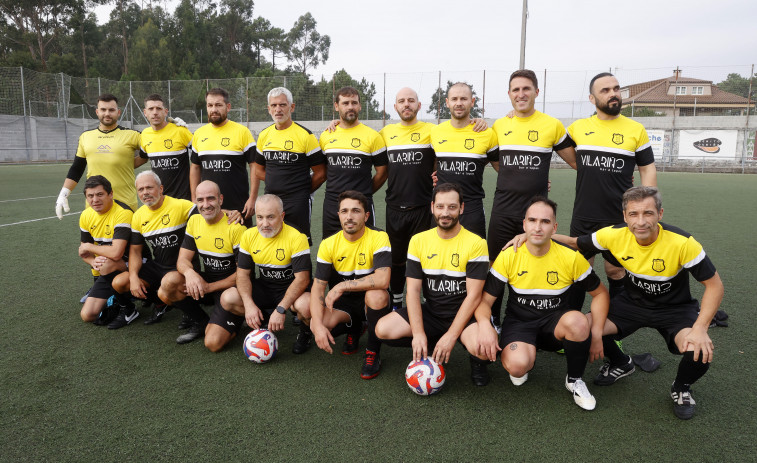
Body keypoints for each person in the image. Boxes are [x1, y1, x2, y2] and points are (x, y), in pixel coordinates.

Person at [510, 186, 724, 419]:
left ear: (660, 214)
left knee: (698, 351)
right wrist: (533, 235)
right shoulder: (613, 234)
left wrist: (701, 328)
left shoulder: (682, 242)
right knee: (587, 325)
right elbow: (574, 242)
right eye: (633, 214)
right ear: (624, 216)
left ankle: (681, 388)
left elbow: (715, 286)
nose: (640, 222)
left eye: (648, 213)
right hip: (631, 304)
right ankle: (622, 362)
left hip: (674, 309)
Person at [471, 197, 609, 410]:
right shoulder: (509, 256)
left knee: (578, 321)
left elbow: (600, 294)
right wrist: (485, 325)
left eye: (544, 222)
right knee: (517, 367)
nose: (537, 227)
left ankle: (574, 380)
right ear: (524, 224)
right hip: (520, 323)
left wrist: (597, 333)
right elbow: (484, 302)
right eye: (532, 220)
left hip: (555, 325)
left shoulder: (570, 257)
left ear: (554, 227)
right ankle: (526, 358)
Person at [374, 183, 489, 383]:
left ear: (461, 209)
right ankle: (432, 339)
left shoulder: (476, 243)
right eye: (441, 207)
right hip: (432, 313)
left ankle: (476, 362)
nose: (446, 213)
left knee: (483, 350)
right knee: (382, 329)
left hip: (464, 315)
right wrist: (418, 334)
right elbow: (412, 291)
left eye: (452, 207)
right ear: (432, 207)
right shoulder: (419, 241)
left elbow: (474, 297)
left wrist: (452, 336)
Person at [568, 73, 657, 304]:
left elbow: (647, 169)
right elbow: (561, 150)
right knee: (579, 270)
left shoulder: (636, 129)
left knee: (616, 271)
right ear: (592, 98)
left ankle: (615, 327)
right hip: (584, 214)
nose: (613, 94)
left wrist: (648, 205)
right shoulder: (578, 128)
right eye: (605, 91)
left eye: (616, 89)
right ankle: (572, 322)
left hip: (618, 217)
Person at [109, 171, 211, 343]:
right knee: (120, 282)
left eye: (149, 187)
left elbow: (208, 212)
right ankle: (164, 302)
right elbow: (135, 251)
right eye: (141, 189)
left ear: (161, 188)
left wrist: (229, 212)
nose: (145, 192)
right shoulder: (139, 216)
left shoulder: (180, 206)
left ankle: (200, 320)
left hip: (182, 267)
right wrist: (133, 277)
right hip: (159, 266)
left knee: (168, 285)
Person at [215, 195, 313, 353]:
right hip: (266, 287)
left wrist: (281, 309)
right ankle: (264, 321)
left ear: (282, 216)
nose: (264, 223)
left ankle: (305, 333)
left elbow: (302, 279)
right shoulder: (249, 235)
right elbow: (242, 275)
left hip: (292, 288)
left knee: (306, 306)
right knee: (228, 298)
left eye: (271, 217)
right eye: (260, 217)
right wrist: (248, 305)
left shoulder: (297, 237)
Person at [310, 190, 391, 379]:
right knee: (315, 321)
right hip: (343, 305)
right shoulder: (329, 243)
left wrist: (341, 286)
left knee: (377, 295)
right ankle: (354, 328)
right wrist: (319, 327)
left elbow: (382, 279)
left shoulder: (379, 237)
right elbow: (317, 288)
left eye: (356, 211)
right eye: (344, 211)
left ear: (366, 215)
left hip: (368, 302)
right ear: (338, 215)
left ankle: (373, 351)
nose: (349, 216)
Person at [157, 181, 246, 351]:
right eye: (201, 200)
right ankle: (201, 322)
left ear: (220, 199)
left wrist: (209, 287)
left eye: (210, 199)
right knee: (167, 285)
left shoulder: (235, 228)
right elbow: (182, 260)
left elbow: (243, 274)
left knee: (212, 344)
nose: (206, 205)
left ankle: (248, 319)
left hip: (231, 289)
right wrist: (190, 273)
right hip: (207, 282)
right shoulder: (195, 221)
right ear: (196, 201)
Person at [253, 87, 326, 243]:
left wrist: (302, 190)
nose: (278, 109)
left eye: (282, 105)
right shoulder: (264, 135)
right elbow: (258, 170)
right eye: (273, 105)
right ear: (268, 109)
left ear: (291, 107)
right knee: (272, 242)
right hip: (271, 199)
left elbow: (321, 173)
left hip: (297, 202)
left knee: (298, 243)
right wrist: (276, 181)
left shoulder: (306, 136)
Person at [430, 83, 499, 239]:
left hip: (472, 208)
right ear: (447, 103)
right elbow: (433, 164)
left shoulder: (487, 133)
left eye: (463, 98)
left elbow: (503, 169)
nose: (459, 103)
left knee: (476, 257)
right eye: (454, 99)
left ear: (472, 102)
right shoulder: (435, 132)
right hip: (442, 208)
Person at [56, 94, 142, 216]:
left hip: (125, 205)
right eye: (103, 110)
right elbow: (77, 168)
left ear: (118, 112)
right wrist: (63, 193)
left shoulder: (133, 135)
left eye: (111, 110)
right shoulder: (86, 137)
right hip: (94, 205)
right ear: (97, 112)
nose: (107, 113)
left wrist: (175, 128)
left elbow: (151, 151)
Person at [319, 86, 388, 238]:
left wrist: (365, 193)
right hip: (332, 206)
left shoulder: (373, 136)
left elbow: (382, 173)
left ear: (360, 105)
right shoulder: (326, 135)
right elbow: (322, 170)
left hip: (361, 205)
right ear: (336, 106)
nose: (350, 107)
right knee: (331, 252)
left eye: (354, 103)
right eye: (345, 103)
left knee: (364, 253)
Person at [190, 88, 258, 225]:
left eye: (218, 105)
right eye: (210, 105)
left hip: (238, 208)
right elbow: (195, 168)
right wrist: (194, 198)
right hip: (208, 208)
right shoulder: (199, 134)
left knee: (241, 245)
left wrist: (253, 198)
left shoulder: (242, 132)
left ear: (228, 107)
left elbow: (254, 166)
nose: (213, 109)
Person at [77, 175, 135, 328]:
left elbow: (116, 253)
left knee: (107, 264)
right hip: (107, 267)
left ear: (111, 194)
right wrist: (92, 261)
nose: (94, 199)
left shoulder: (123, 212)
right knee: (88, 315)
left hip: (134, 265)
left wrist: (89, 247)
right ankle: (116, 299)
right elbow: (84, 254)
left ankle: (128, 308)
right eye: (90, 196)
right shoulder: (86, 215)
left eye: (99, 194)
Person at [138, 94, 193, 200]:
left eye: (159, 108)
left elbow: (201, 152)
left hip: (182, 199)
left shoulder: (180, 130)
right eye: (151, 109)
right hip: (159, 199)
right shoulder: (145, 134)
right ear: (145, 112)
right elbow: (142, 158)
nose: (155, 112)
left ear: (166, 111)